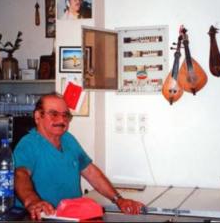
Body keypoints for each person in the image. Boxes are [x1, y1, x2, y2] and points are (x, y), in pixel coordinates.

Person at [14, 93, 144, 220]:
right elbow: (20, 175)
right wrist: (32, 202)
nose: (61, 120)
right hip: (41, 217)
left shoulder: (68, 139)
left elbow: (91, 172)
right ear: (38, 116)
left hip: (72, 216)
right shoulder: (28, 144)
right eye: (54, 114)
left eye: (65, 115)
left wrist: (119, 200)